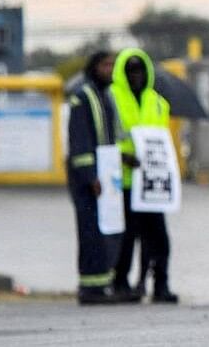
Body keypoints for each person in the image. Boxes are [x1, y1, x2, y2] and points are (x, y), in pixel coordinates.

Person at [110, 48, 179, 303]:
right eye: (130, 70)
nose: (135, 75)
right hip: (124, 181)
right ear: (122, 73)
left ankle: (160, 284)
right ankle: (121, 283)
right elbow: (106, 139)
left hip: (151, 183)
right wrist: (122, 157)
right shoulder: (111, 98)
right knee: (126, 238)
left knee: (159, 238)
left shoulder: (158, 102)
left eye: (139, 70)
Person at [66, 51, 132, 304]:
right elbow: (80, 141)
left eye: (113, 65)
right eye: (105, 65)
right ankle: (89, 288)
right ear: (94, 67)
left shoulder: (106, 96)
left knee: (105, 231)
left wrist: (123, 159)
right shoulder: (83, 97)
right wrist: (89, 175)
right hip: (88, 179)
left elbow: (110, 137)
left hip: (105, 176)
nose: (110, 69)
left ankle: (102, 284)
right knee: (90, 232)